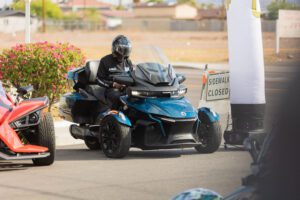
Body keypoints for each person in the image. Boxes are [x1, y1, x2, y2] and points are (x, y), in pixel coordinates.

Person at [97, 35, 133, 110]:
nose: (123, 53)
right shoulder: (105, 60)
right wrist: (113, 84)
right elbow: (99, 79)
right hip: (110, 89)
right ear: (115, 48)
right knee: (117, 96)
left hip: (126, 88)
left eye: (126, 50)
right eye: (122, 50)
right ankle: (115, 117)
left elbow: (133, 76)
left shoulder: (128, 62)